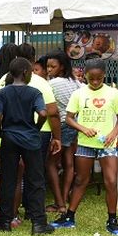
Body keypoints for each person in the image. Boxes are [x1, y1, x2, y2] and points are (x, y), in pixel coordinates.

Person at [52, 59, 118, 236]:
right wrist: (83, 128)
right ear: (85, 75)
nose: (95, 82)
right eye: (91, 78)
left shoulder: (113, 94)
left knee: (111, 181)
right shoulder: (79, 94)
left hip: (107, 144)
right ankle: (69, 217)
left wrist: (114, 133)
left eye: (99, 79)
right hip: (85, 143)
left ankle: (112, 220)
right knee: (81, 180)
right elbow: (69, 118)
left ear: (104, 76)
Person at [0, 58, 54, 236]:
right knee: (36, 180)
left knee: (8, 179)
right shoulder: (34, 92)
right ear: (26, 73)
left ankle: (4, 220)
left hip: (10, 138)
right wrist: (36, 127)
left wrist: (0, 130)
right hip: (31, 139)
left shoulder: (3, 93)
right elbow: (43, 113)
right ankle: (39, 223)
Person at [47, 50, 82, 214]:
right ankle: (65, 196)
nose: (49, 70)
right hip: (75, 124)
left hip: (61, 125)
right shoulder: (76, 82)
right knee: (69, 163)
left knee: (51, 164)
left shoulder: (53, 84)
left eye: (52, 66)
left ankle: (59, 203)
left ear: (61, 67)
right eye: (47, 66)